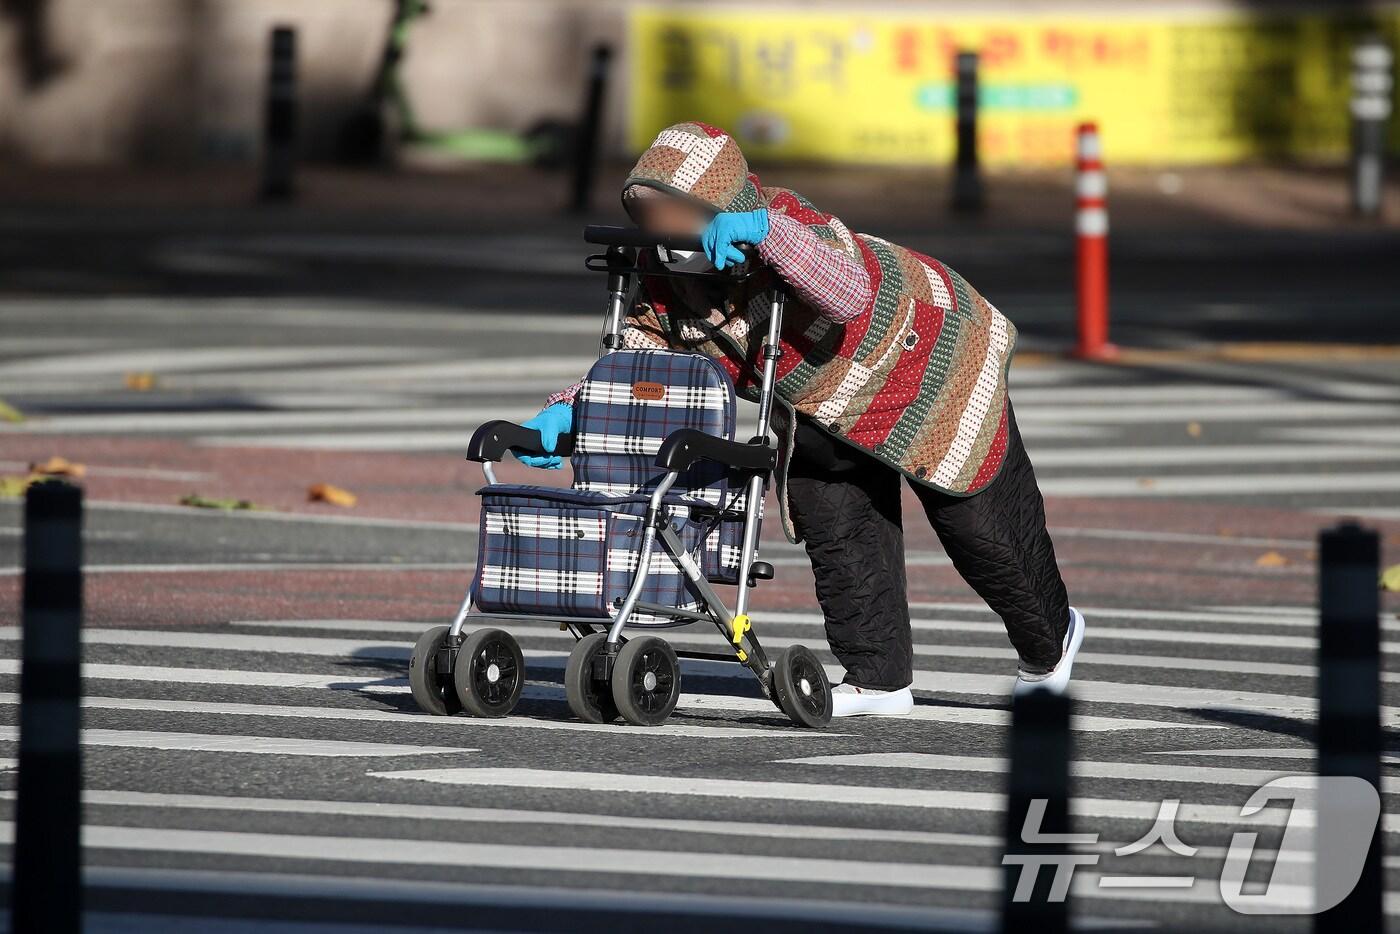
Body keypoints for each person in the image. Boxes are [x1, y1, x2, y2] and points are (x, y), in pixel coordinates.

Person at [524, 121, 1085, 717]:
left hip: (929, 365)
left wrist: (768, 237)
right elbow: (639, 359)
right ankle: (878, 679)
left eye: (673, 212)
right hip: (820, 400)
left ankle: (1048, 648)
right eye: (645, 213)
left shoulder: (788, 222)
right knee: (836, 525)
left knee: (981, 531)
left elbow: (847, 292)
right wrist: (569, 410)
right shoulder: (664, 276)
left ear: (720, 202)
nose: (660, 230)